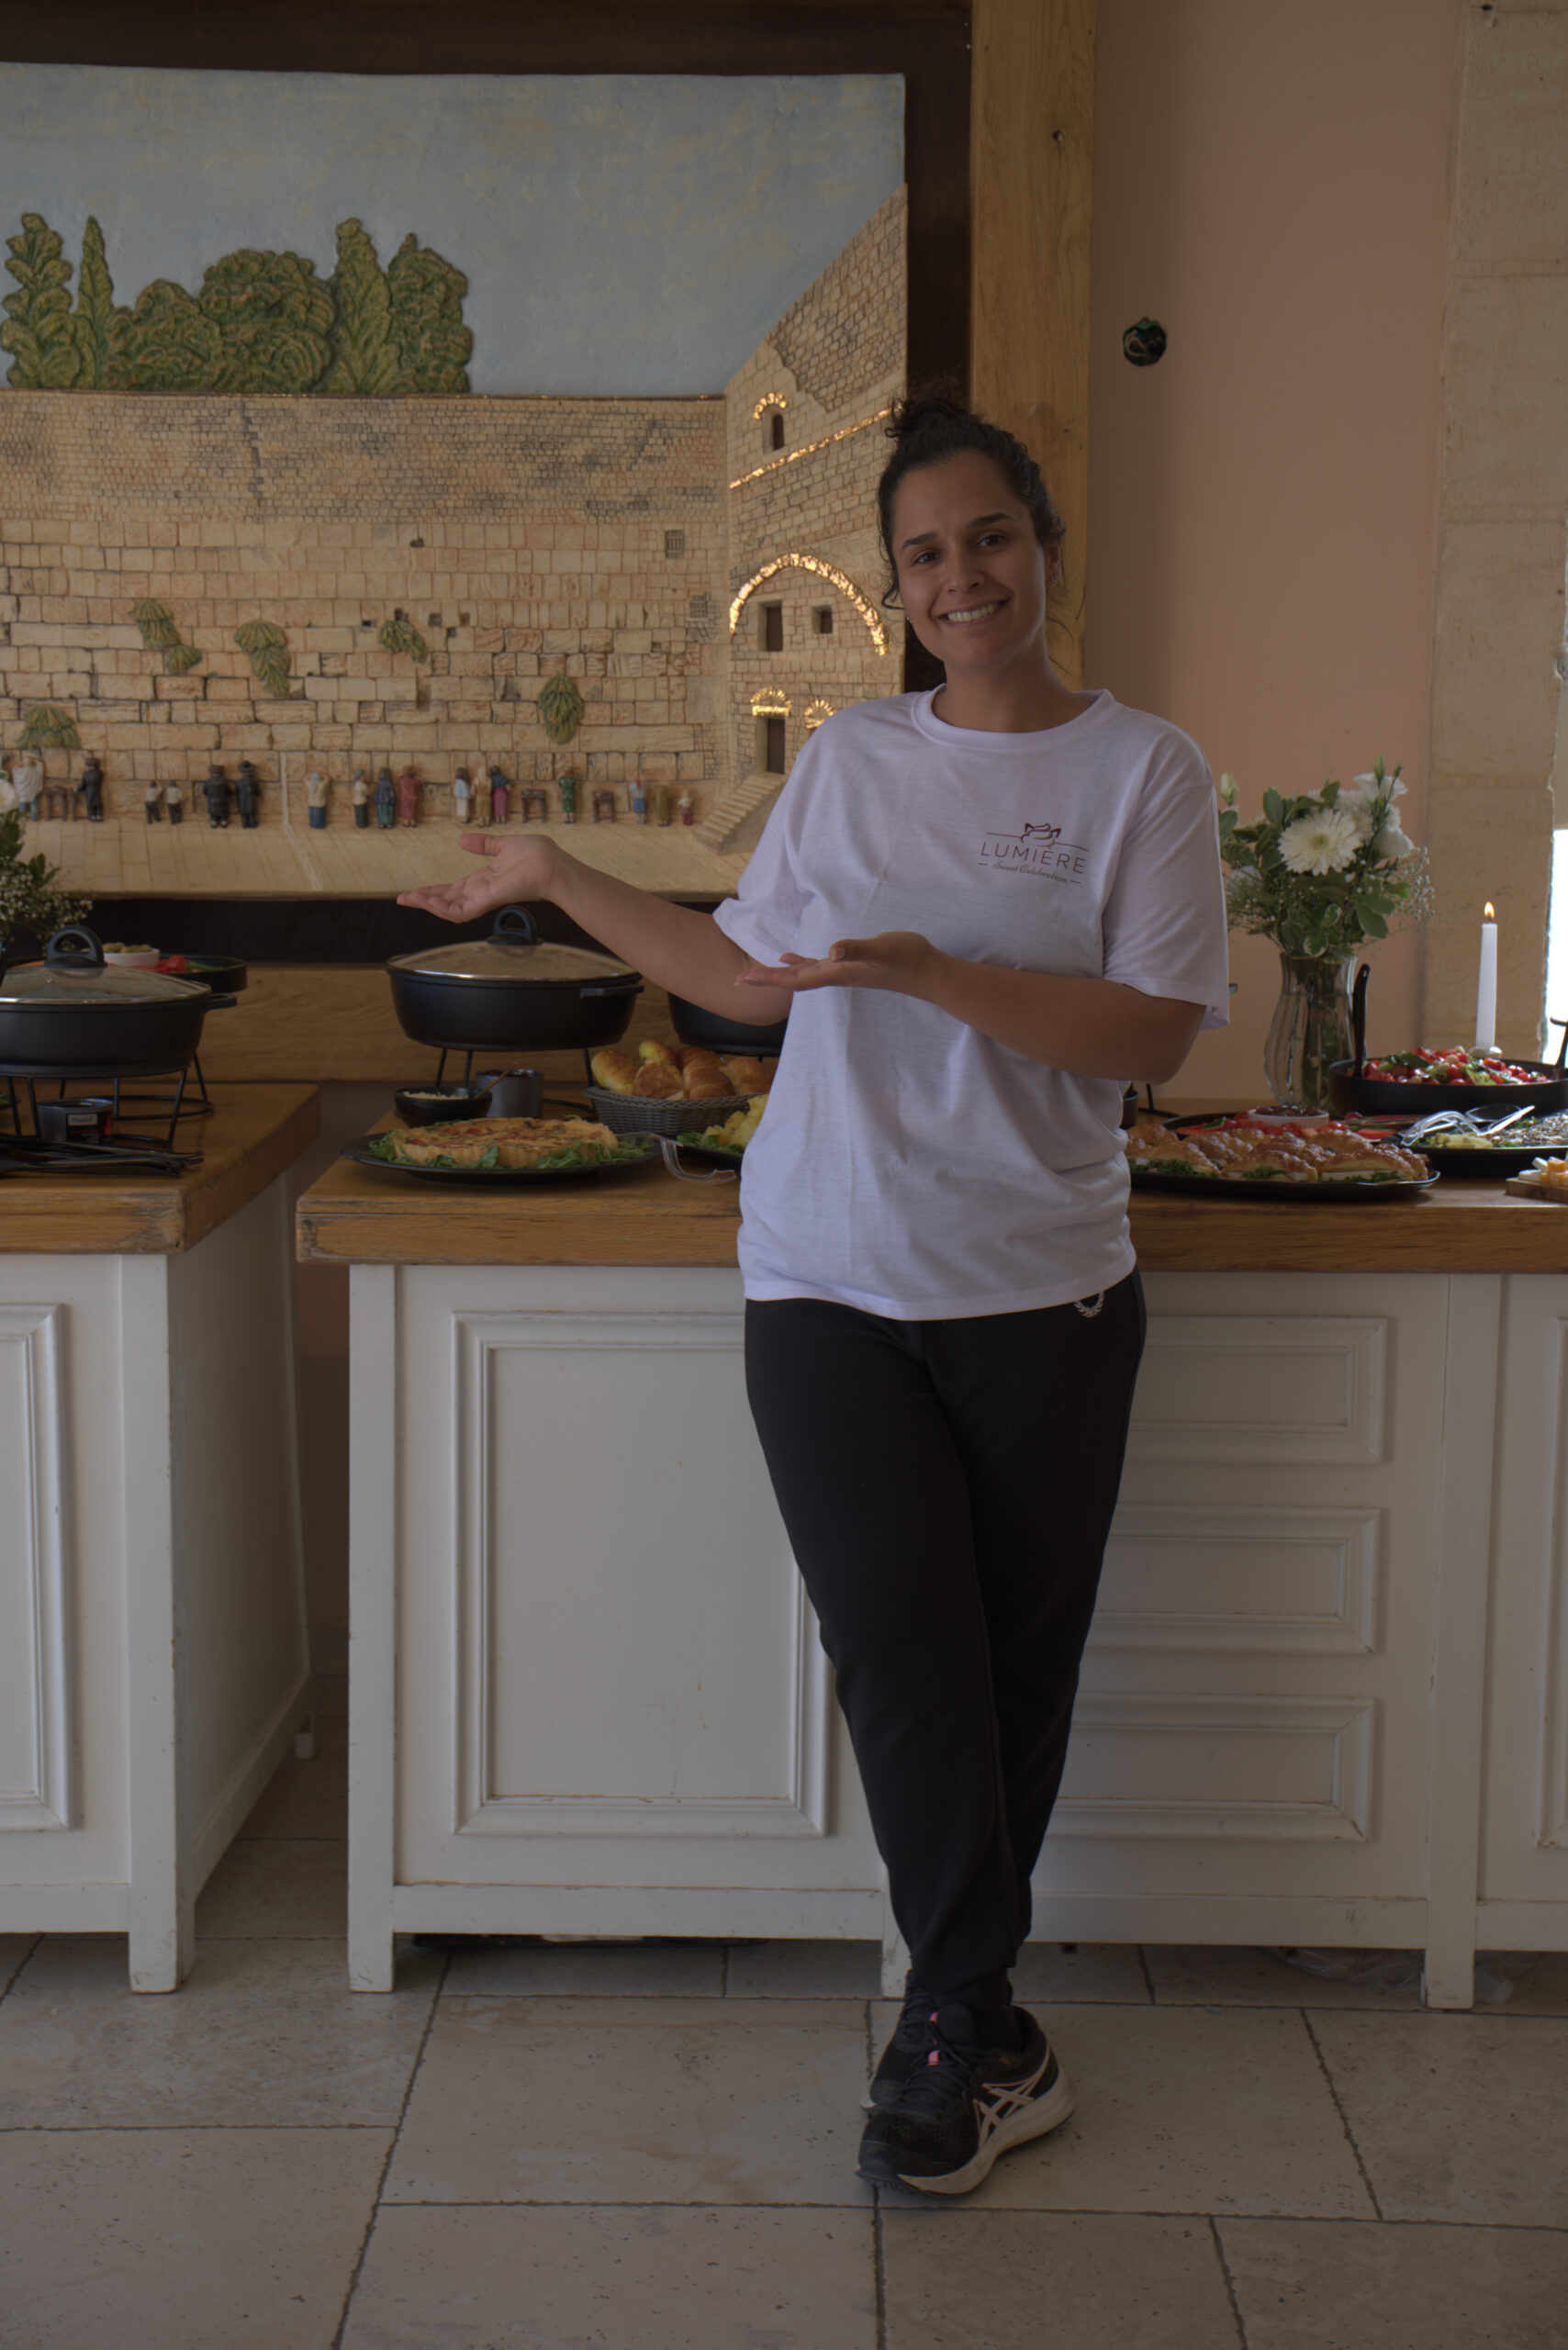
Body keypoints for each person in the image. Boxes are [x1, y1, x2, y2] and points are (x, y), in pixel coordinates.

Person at [397, 392, 1228, 2198]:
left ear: (1041, 546)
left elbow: (1151, 1036)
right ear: (895, 584)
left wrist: (940, 978)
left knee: (1014, 1667)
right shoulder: (851, 760)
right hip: (826, 1272)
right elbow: (740, 980)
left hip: (1043, 1289)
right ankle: (960, 2022)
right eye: (923, 553)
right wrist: (557, 877)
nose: (959, 575)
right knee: (901, 1647)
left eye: (987, 537)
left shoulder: (1141, 771)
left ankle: (973, 2029)